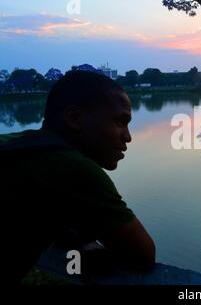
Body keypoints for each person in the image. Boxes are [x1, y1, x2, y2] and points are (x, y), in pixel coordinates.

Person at [0, 70, 156, 284]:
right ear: (75, 119)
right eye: (120, 122)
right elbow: (142, 255)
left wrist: (76, 237)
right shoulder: (74, 168)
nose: (128, 137)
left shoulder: (20, 144)